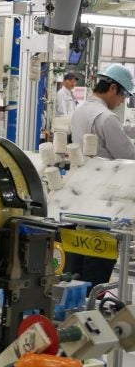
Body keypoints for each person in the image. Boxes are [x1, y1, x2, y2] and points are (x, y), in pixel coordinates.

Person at [67, 63, 135, 290]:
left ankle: (72, 309)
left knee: (75, 267)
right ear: (113, 88)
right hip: (103, 203)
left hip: (78, 199)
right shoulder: (106, 117)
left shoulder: (81, 110)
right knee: (98, 268)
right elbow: (128, 155)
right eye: (123, 95)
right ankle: (91, 311)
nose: (122, 101)